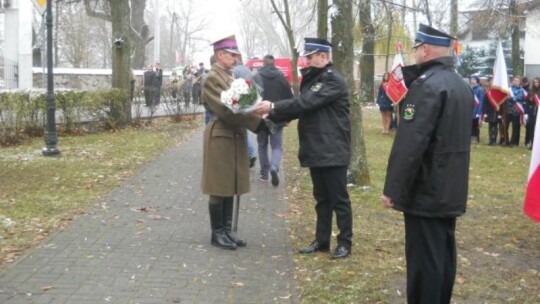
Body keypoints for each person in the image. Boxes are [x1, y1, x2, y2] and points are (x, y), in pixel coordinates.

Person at [381, 24, 473, 304]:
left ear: (426, 49)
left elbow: (411, 143)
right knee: (443, 255)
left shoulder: (427, 85)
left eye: (418, 48)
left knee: (424, 262)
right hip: (450, 186)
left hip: (427, 188)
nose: (416, 53)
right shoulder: (460, 84)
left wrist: (393, 188)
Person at [253, 37, 353, 259]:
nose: (307, 61)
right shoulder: (314, 79)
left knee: (339, 199)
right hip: (318, 147)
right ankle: (322, 240)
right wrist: (272, 113)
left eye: (310, 57)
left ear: (323, 56)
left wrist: (273, 105)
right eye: (307, 57)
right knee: (321, 198)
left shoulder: (333, 80)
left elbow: (306, 103)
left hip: (333, 147)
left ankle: (345, 242)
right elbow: (301, 107)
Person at [201, 35, 268, 250]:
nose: (236, 58)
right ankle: (217, 232)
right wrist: (258, 123)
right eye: (232, 55)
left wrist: (258, 111)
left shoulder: (229, 76)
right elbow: (227, 110)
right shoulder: (213, 77)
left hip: (233, 134)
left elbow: (241, 105)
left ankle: (227, 230)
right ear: (220, 55)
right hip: (221, 134)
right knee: (219, 185)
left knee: (230, 183)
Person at [252, 55, 293, 186]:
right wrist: (288, 118)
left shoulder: (256, 77)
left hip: (261, 117)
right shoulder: (282, 78)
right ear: (274, 64)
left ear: (263, 64)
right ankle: (274, 167)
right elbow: (289, 99)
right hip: (277, 117)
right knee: (276, 146)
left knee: (262, 145)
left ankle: (264, 173)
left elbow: (252, 98)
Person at [232, 55, 257, 168]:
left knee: (242, 132)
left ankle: (249, 154)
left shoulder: (234, 71)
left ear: (237, 59)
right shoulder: (248, 70)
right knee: (246, 130)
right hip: (249, 102)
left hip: (239, 103)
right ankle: (250, 153)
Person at [483, 78, 502, 146]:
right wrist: (485, 112)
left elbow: (501, 103)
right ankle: (490, 139)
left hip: (497, 111)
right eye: (491, 82)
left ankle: (494, 140)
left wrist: (500, 113)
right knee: (490, 126)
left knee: (496, 126)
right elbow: (485, 103)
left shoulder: (499, 92)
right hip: (489, 111)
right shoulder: (488, 93)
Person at [507, 76, 524, 146]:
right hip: (508, 109)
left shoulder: (521, 90)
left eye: (517, 81)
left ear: (519, 82)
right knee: (505, 125)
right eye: (514, 80)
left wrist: (511, 97)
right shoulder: (509, 89)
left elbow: (518, 98)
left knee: (515, 127)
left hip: (516, 110)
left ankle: (514, 142)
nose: (516, 82)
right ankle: (505, 140)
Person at [525, 77, 539, 149]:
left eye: (537, 82)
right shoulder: (531, 92)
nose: (536, 83)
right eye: (534, 82)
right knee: (531, 128)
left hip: (538, 113)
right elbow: (527, 103)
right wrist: (526, 113)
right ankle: (531, 143)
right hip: (531, 113)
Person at [470, 76, 484, 144]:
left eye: (474, 80)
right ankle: (470, 137)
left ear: (477, 81)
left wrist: (478, 112)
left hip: (476, 109)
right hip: (470, 109)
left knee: (475, 125)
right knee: (470, 124)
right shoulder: (470, 88)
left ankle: (475, 138)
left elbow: (480, 101)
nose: (472, 81)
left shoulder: (480, 89)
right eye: (471, 79)